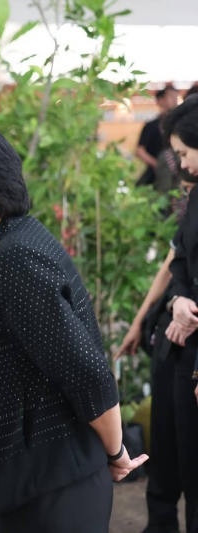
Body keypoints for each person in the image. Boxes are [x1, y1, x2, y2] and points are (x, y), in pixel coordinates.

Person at [0, 121, 148, 532]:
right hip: (41, 484)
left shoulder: (15, 259)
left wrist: (115, 451)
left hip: (47, 495)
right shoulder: (17, 240)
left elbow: (89, 375)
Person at [116, 170, 198, 533]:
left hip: (190, 338)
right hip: (172, 331)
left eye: (184, 153)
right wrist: (140, 320)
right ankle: (161, 523)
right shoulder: (193, 206)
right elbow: (171, 265)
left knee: (188, 450)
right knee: (165, 436)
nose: (182, 167)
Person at [161, 97, 198, 533]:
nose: (183, 165)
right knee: (191, 469)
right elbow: (181, 264)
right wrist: (180, 300)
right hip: (189, 348)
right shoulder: (196, 197)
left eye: (185, 153)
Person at [137, 86, 179, 187]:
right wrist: (157, 164)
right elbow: (140, 151)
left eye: (176, 96)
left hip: (178, 173)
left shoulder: (180, 124)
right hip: (156, 175)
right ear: (160, 100)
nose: (175, 99)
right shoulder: (151, 126)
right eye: (171, 96)